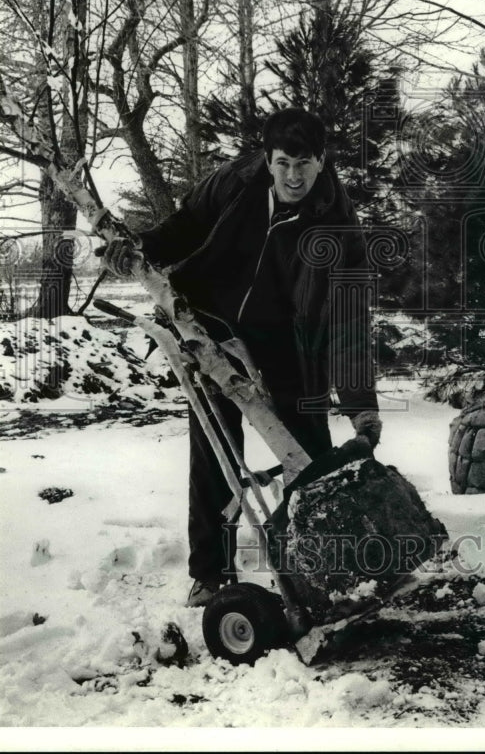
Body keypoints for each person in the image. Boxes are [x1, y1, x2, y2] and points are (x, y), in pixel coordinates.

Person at [102, 108, 381, 605]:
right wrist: (140, 245)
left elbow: (348, 318)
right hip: (213, 329)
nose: (293, 176)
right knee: (215, 453)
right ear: (267, 160)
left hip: (288, 346)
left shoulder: (337, 227)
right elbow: (186, 225)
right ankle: (210, 573)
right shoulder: (235, 180)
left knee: (310, 459)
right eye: (283, 163)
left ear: (322, 161)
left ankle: (323, 574)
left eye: (304, 163)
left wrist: (361, 404)